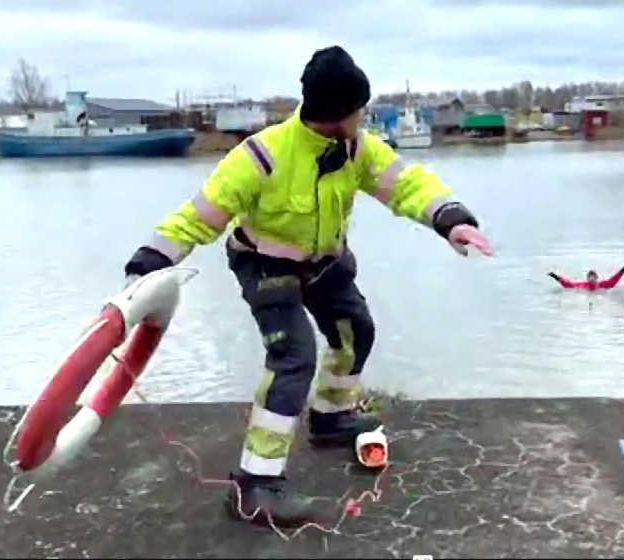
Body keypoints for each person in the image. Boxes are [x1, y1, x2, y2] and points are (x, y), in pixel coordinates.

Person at [122, 45, 494, 529]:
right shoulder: (260, 155)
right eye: (358, 109)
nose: (362, 117)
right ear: (339, 114)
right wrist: (148, 264)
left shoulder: (357, 147)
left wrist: (450, 220)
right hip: (264, 263)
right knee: (294, 357)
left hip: (326, 262)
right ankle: (254, 486)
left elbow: (407, 185)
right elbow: (199, 217)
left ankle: (330, 418)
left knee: (354, 331)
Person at [548, 264, 624, 291]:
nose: (592, 278)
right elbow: (567, 284)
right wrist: (555, 276)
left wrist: (623, 269)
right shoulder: (581, 285)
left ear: (596, 278)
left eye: (593, 276)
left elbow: (614, 280)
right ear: (587, 278)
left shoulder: (603, 285)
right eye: (590, 276)